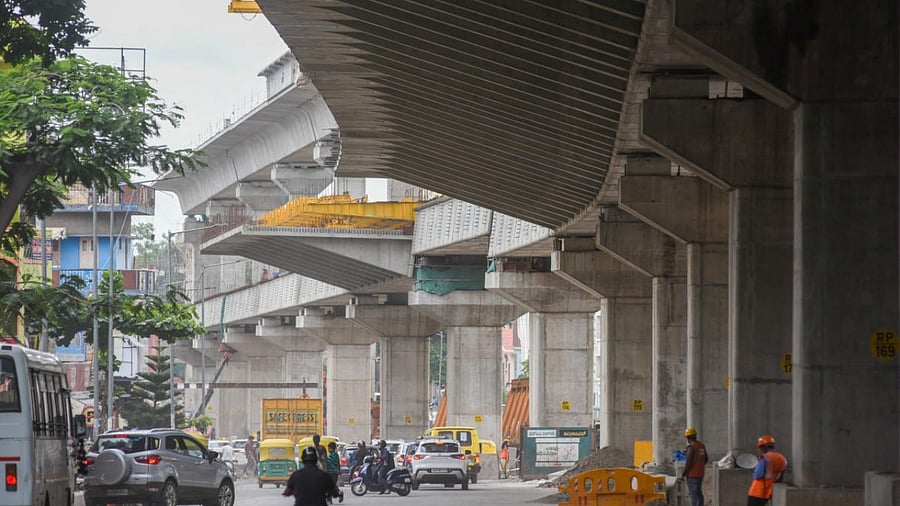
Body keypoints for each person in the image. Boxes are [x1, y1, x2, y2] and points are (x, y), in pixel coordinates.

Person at [747, 434, 787, 506]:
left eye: (760, 448)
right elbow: (781, 477)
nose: (760, 450)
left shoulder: (766, 458)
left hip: (757, 492)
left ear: (764, 447)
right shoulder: (782, 458)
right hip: (769, 492)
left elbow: (757, 475)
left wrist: (753, 474)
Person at [681, 427, 708, 506]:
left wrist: (683, 474)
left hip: (692, 475)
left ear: (687, 438)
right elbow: (706, 459)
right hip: (700, 474)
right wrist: (699, 466)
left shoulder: (691, 447)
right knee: (699, 493)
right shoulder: (701, 446)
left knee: (693, 495)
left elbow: (688, 462)